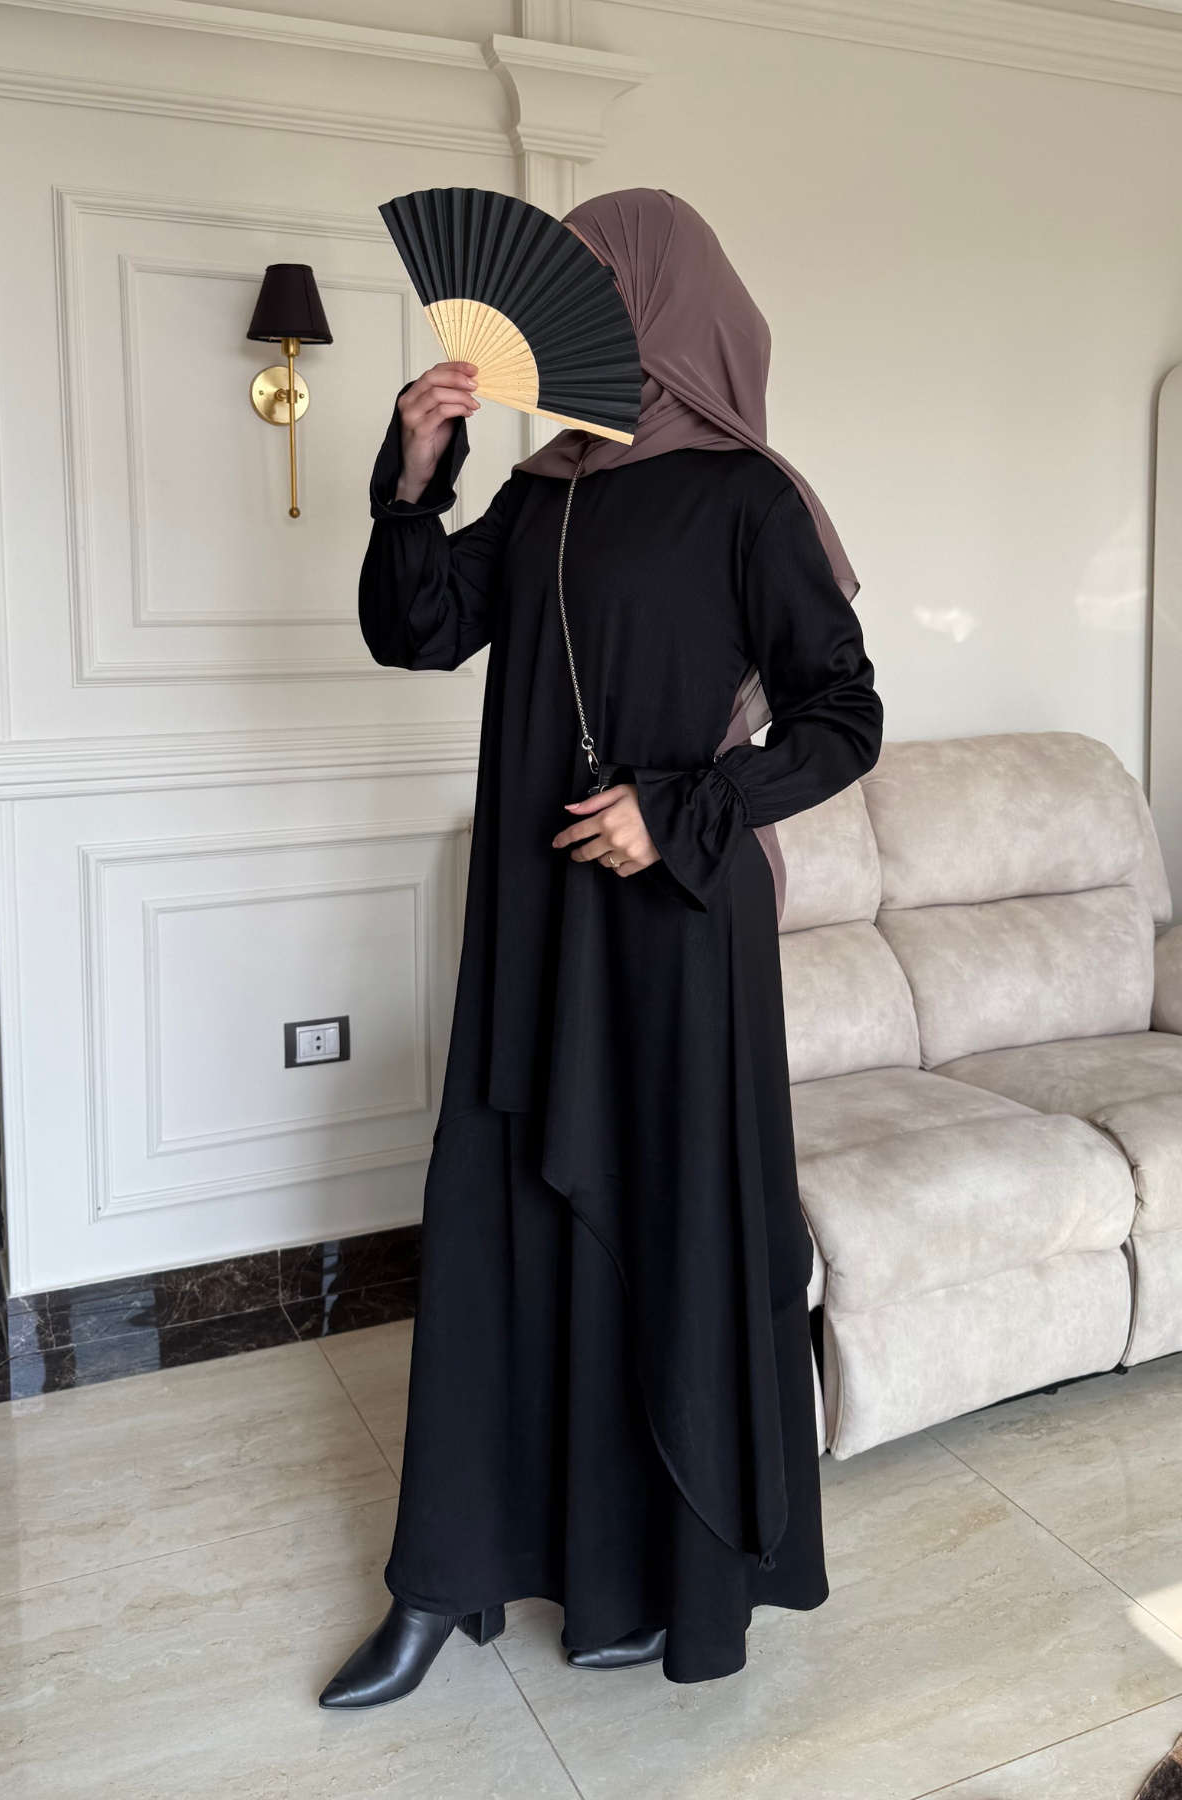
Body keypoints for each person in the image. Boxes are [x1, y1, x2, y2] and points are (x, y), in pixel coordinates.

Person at [319, 187, 882, 1707]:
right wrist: (413, 478)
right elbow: (418, 631)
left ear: (660, 307)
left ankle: (657, 1581)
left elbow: (845, 715)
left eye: (594, 292)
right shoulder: (546, 491)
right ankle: (445, 1577)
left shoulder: (750, 500)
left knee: (664, 1227)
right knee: (502, 1218)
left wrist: (683, 808)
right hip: (536, 919)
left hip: (678, 929)